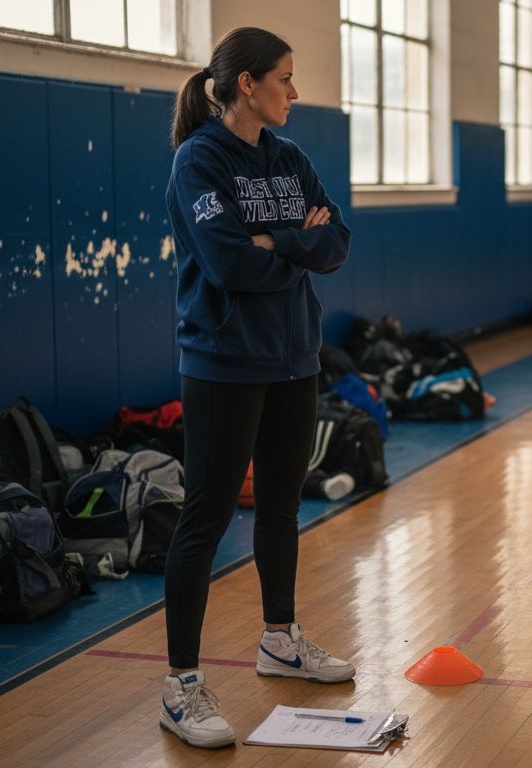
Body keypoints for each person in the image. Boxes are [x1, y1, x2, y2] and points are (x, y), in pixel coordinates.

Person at [161, 27, 355, 749]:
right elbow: (227, 266)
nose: (295, 93)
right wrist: (289, 247)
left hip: (294, 357)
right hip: (222, 361)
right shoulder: (199, 161)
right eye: (283, 79)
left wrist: (279, 244)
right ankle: (180, 683)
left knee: (280, 507)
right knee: (205, 520)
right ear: (246, 84)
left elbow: (336, 240)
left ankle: (281, 638)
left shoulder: (291, 157)